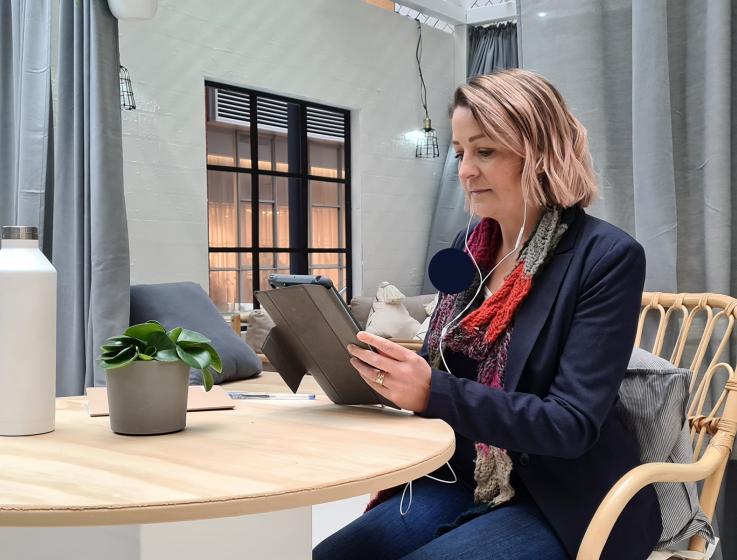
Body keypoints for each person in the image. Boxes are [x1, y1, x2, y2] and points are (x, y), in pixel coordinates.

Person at [313, 69, 661, 560]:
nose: (465, 171)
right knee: (339, 554)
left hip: (563, 496)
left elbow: (571, 424)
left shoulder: (605, 256)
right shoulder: (468, 249)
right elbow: (441, 361)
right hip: (465, 474)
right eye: (460, 153)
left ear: (542, 152)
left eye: (486, 151)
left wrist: (432, 390)